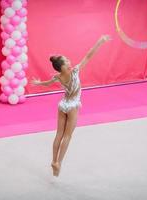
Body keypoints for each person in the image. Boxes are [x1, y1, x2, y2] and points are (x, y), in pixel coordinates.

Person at [31, 35, 111, 176]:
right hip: (73, 105)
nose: (69, 60)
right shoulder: (75, 71)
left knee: (58, 134)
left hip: (63, 105)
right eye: (66, 60)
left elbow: (47, 83)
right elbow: (88, 56)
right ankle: (58, 163)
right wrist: (100, 41)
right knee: (67, 136)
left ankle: (53, 160)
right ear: (64, 66)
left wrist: (38, 83)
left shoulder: (58, 76)